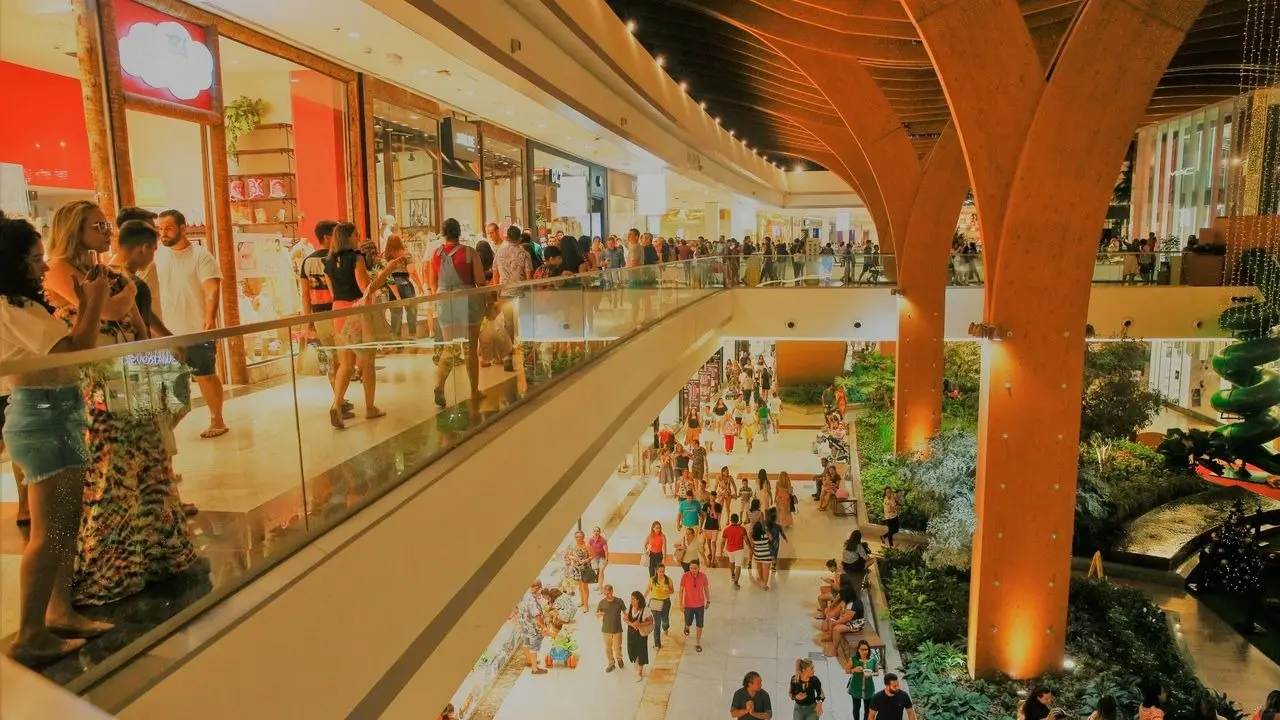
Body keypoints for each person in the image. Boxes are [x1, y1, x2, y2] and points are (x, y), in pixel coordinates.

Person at [46, 203, 197, 606]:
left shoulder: (107, 273)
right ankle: (112, 566)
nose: (105, 231)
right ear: (75, 229)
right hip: (96, 384)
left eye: (105, 224)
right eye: (97, 225)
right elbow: (110, 310)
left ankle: (156, 556)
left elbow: (135, 325)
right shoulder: (60, 268)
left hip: (128, 377)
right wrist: (124, 292)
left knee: (150, 467)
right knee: (111, 476)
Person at [0, 212, 114, 666]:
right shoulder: (13, 308)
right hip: (43, 416)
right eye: (35, 259)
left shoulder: (24, 306)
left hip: (56, 413)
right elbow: (74, 353)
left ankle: (59, 611)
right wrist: (95, 302)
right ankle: (30, 632)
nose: (44, 267)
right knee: (49, 532)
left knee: (65, 523)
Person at [155, 209, 228, 439]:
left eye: (168, 228)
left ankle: (217, 419)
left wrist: (210, 317)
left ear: (183, 228)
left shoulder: (201, 256)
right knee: (171, 381)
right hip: (167, 331)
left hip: (196, 329)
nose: (163, 233)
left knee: (205, 375)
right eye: (160, 229)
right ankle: (165, 430)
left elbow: (212, 288)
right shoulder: (158, 257)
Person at [323, 223, 404, 429]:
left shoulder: (329, 262)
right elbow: (366, 288)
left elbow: (333, 293)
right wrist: (388, 270)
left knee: (346, 363)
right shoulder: (356, 258)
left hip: (338, 311)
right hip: (357, 311)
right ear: (348, 237)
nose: (358, 237)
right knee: (367, 362)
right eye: (355, 234)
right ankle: (370, 407)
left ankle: (336, 404)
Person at [426, 218, 487, 406]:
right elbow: (480, 280)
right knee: (470, 348)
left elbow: (433, 282)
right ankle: (474, 390)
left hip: (445, 301)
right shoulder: (470, 252)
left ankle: (439, 385)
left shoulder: (436, 254)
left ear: (443, 233)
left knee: (449, 347)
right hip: (467, 300)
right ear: (459, 232)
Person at [492, 224, 530, 371]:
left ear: (507, 237)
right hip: (521, 294)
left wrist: (497, 293)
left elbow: (495, 274)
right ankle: (525, 357)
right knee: (523, 325)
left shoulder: (499, 253)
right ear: (519, 238)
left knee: (508, 326)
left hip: (505, 294)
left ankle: (508, 357)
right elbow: (529, 277)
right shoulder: (524, 254)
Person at [382, 234, 421, 341]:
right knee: (411, 310)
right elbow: (412, 271)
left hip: (391, 285)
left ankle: (396, 338)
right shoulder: (405, 254)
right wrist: (419, 284)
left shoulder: (385, 256)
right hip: (404, 282)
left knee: (396, 313)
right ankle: (412, 335)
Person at [516, 579, 548, 674]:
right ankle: (535, 668)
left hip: (523, 623)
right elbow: (537, 616)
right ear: (536, 587)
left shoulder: (523, 594)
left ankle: (529, 660)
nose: (539, 591)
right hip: (532, 625)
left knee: (526, 642)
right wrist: (543, 626)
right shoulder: (532, 600)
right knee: (534, 646)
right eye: (539, 589)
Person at [679, 557, 710, 652]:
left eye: (695, 568)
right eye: (691, 568)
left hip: (700, 605)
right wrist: (681, 604)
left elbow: (706, 589)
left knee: (700, 624)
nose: (693, 570)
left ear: (699, 568)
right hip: (688, 605)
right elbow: (681, 591)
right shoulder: (685, 576)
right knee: (688, 621)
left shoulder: (703, 577)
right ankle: (687, 626)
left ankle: (697, 643)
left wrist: (708, 600)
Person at [596, 584, 626, 672]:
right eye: (605, 594)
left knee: (617, 647)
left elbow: (625, 612)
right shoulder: (602, 603)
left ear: (612, 592)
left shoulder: (619, 601)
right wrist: (599, 614)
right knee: (608, 649)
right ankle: (611, 663)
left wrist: (628, 618)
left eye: (608, 593)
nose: (606, 595)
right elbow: (597, 614)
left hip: (617, 629)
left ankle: (619, 658)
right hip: (606, 629)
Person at [623, 590, 652, 682]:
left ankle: (639, 672)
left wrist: (641, 624)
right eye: (631, 598)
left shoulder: (645, 610)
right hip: (631, 634)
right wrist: (632, 624)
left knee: (642, 651)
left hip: (641, 635)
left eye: (633, 599)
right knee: (631, 649)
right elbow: (625, 619)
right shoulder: (630, 607)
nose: (631, 601)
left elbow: (651, 621)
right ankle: (637, 660)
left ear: (638, 600)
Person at [644, 563, 674, 649]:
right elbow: (648, 589)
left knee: (665, 620)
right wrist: (643, 598)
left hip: (665, 602)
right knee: (657, 623)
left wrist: (668, 590)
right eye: (660, 571)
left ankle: (665, 627)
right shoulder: (652, 580)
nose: (662, 573)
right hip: (655, 602)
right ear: (656, 571)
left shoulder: (668, 579)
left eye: (663, 571)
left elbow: (672, 591)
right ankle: (657, 644)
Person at [847, 639, 878, 720]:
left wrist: (871, 674)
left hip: (868, 688)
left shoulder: (873, 660)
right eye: (862, 649)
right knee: (856, 708)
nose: (864, 651)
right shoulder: (853, 659)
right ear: (858, 650)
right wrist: (854, 670)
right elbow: (847, 670)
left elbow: (877, 672)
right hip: (856, 687)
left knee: (867, 709)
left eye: (866, 649)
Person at [565, 530, 593, 610]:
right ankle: (582, 601)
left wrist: (585, 560)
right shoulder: (573, 546)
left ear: (583, 537)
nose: (578, 538)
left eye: (580, 537)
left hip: (585, 568)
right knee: (580, 586)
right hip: (576, 568)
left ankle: (586, 605)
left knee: (584, 587)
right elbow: (569, 555)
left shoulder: (587, 545)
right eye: (577, 537)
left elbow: (592, 556)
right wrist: (574, 558)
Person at [721, 512, 749, 588]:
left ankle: (732, 574)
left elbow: (723, 541)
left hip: (729, 550)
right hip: (739, 550)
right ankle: (736, 582)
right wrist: (750, 547)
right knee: (738, 566)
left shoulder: (726, 529)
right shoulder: (742, 529)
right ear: (738, 520)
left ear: (731, 520)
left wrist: (721, 550)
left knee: (732, 562)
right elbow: (746, 540)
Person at [751, 521, 774, 589]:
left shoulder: (754, 536)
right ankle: (765, 585)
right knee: (766, 570)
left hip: (757, 554)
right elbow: (772, 540)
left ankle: (761, 578)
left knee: (759, 567)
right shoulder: (766, 534)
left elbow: (753, 545)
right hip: (767, 554)